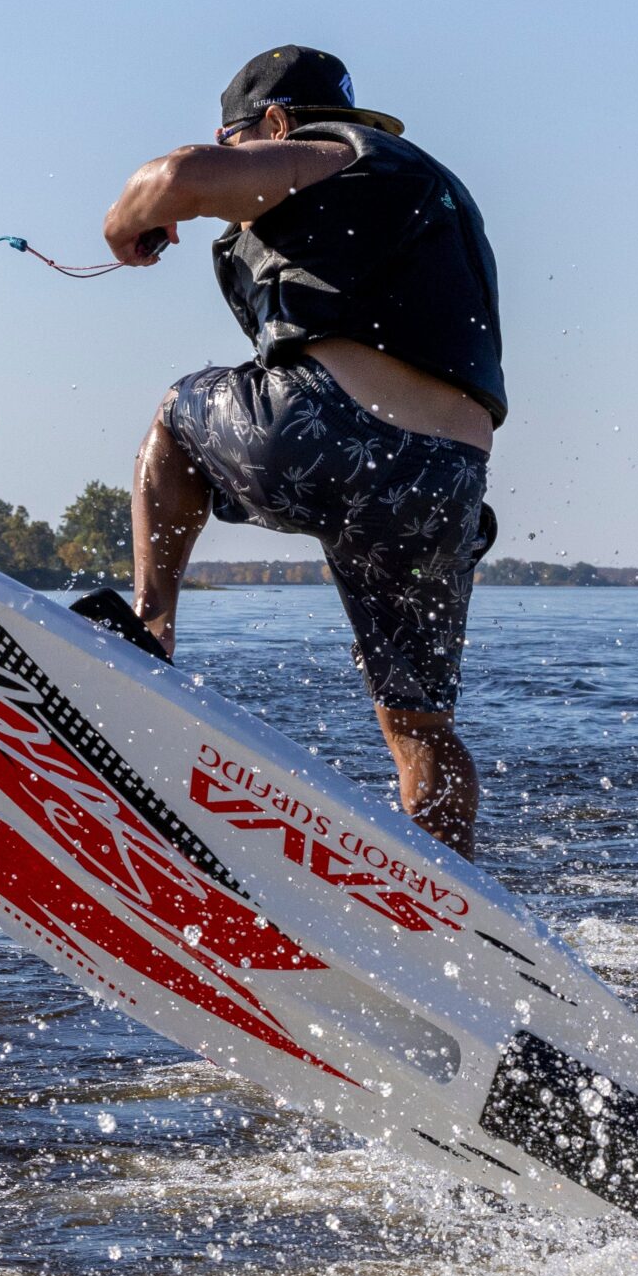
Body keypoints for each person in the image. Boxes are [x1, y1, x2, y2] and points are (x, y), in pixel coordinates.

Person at [101, 45, 504, 857]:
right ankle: (451, 901)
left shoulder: (333, 151)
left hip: (334, 433)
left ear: (276, 124)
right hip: (446, 484)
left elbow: (173, 177)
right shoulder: (424, 194)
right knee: (418, 722)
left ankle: (149, 628)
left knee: (175, 418)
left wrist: (124, 225)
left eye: (238, 143)